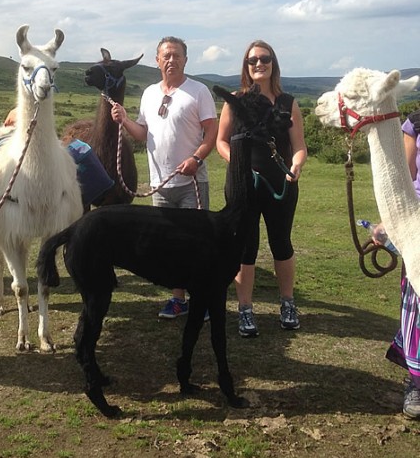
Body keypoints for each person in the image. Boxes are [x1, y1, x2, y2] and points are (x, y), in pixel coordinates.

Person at [111, 36, 218, 318]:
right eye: (166, 56)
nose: (171, 60)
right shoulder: (148, 94)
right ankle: (177, 299)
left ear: (185, 59)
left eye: (177, 55)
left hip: (191, 182)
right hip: (160, 184)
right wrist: (124, 120)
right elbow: (143, 134)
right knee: (168, 244)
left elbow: (212, 132)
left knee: (196, 242)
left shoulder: (199, 92)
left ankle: (201, 298)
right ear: (157, 61)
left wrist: (196, 159)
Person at [216, 40, 307, 337]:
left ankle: (288, 303)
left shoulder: (287, 102)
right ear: (246, 66)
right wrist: (238, 162)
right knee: (246, 247)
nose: (258, 63)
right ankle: (245, 309)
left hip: (281, 181)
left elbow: (299, 147)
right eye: (252, 60)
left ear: (273, 63)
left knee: (281, 243)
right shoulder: (235, 101)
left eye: (264, 58)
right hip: (243, 184)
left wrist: (295, 167)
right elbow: (221, 141)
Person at [382, 110, 420, 419]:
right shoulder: (416, 124)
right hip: (417, 223)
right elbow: (404, 181)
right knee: (414, 297)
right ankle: (416, 381)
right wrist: (391, 222)